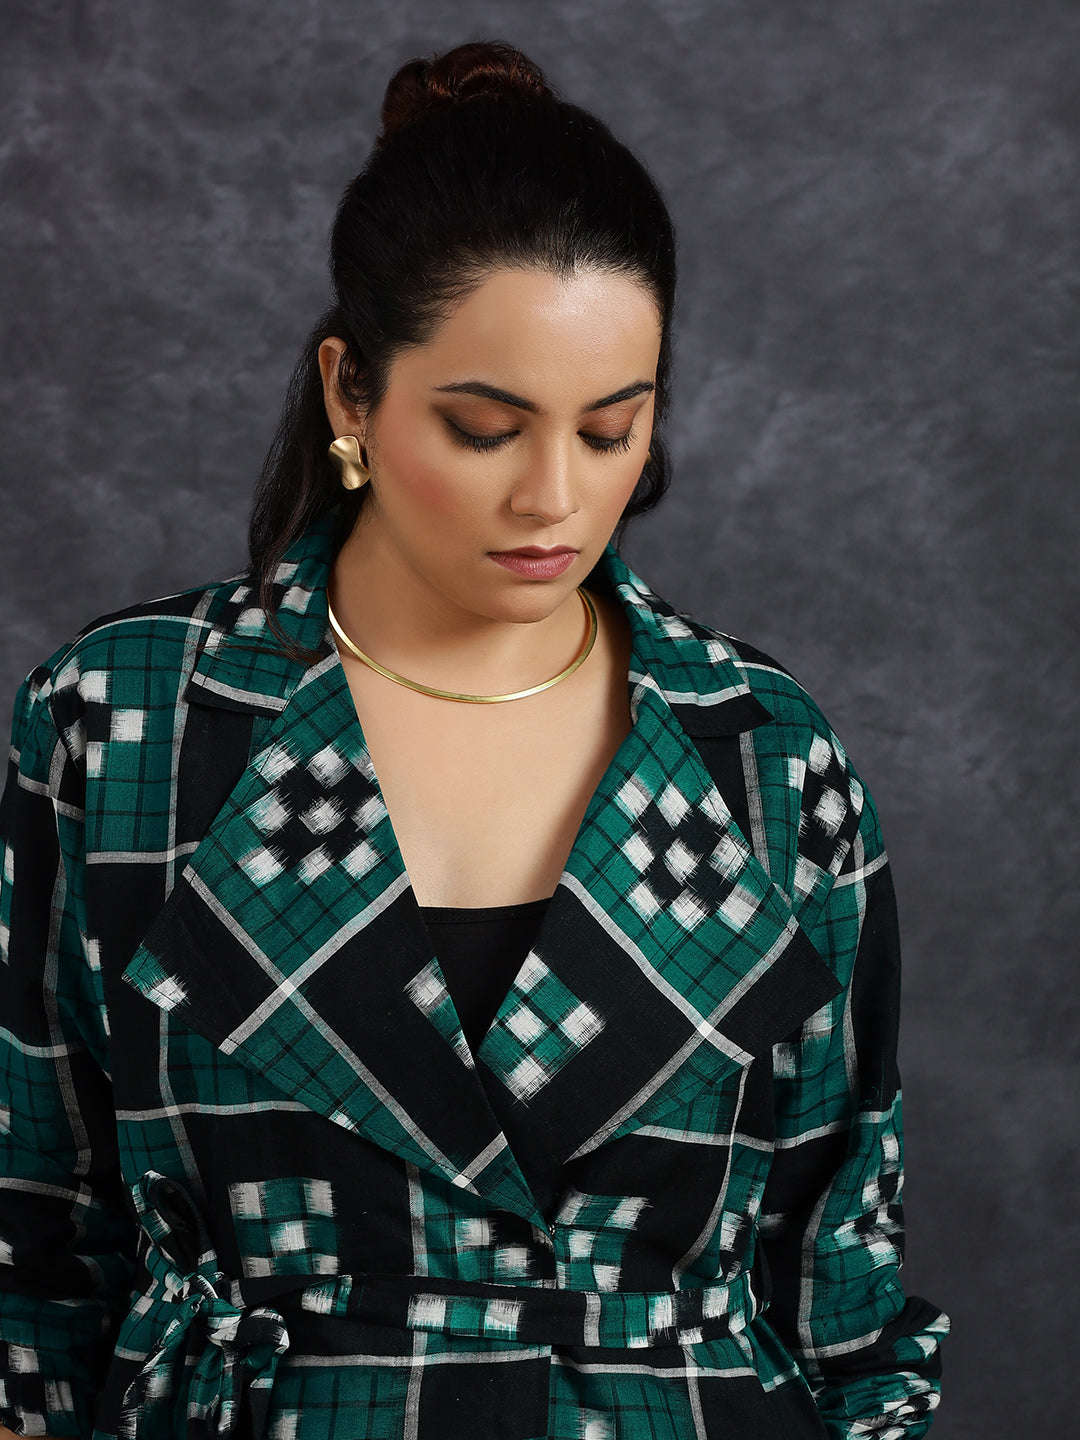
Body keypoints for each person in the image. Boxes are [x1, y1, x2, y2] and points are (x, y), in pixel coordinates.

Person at [0, 40, 949, 1440]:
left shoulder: (761, 756)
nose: (554, 496)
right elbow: (30, 1251)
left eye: (612, 430)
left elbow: (844, 1290)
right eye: (487, 428)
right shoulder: (126, 721)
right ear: (350, 394)